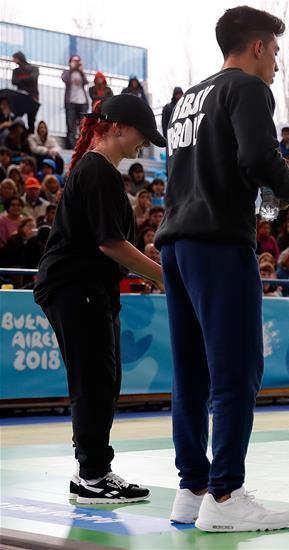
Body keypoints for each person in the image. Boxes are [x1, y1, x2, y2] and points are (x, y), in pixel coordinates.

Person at [154, 6, 289, 532]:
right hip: (218, 243)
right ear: (258, 46)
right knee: (236, 370)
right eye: (276, 53)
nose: (277, 66)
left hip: (175, 245)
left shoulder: (185, 101)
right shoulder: (247, 88)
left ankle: (193, 488)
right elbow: (259, 159)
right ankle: (225, 494)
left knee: (191, 373)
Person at [32, 95, 166, 504]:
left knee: (103, 380)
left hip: (91, 288)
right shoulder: (97, 170)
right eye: (143, 134)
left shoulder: (101, 171)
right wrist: (165, 277)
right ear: (118, 126)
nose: (145, 143)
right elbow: (110, 243)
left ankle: (93, 471)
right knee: (94, 380)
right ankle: (92, 474)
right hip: (76, 286)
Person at [61, 55, 89, 149]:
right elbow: (65, 79)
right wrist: (72, 69)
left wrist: (81, 71)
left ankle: (82, 145)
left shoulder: (81, 73)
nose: (76, 63)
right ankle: (72, 145)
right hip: (71, 102)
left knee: (83, 124)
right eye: (74, 61)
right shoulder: (67, 72)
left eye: (78, 61)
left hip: (82, 101)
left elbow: (86, 81)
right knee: (71, 124)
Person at [10, 52, 40, 133]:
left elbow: (33, 79)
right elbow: (14, 81)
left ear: (19, 58)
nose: (13, 60)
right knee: (15, 118)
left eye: (14, 58)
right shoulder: (16, 71)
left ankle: (30, 136)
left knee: (31, 120)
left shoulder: (34, 68)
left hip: (32, 97)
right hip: (21, 97)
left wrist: (20, 80)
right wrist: (27, 79)